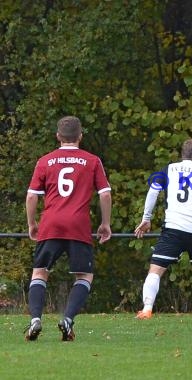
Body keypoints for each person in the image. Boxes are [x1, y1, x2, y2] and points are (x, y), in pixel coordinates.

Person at [25, 116, 112, 341]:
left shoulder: (45, 161)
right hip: (78, 225)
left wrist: (32, 223)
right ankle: (68, 319)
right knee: (84, 276)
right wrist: (105, 223)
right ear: (80, 136)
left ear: (58, 136)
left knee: (40, 272)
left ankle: (35, 319)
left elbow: (32, 196)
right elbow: (105, 193)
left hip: (50, 223)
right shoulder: (92, 160)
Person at [134, 139, 192, 319]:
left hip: (173, 228)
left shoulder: (168, 169)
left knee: (156, 269)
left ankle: (147, 309)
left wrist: (146, 219)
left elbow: (153, 191)